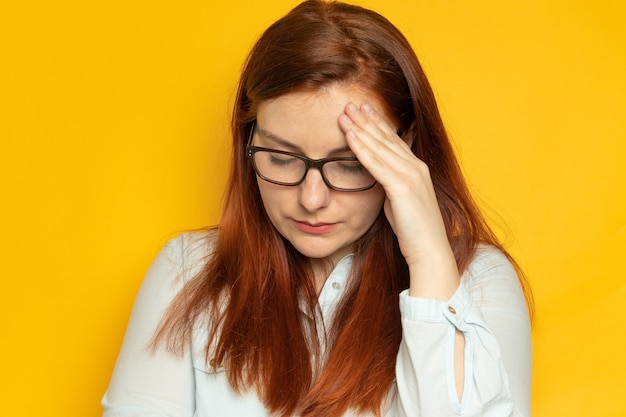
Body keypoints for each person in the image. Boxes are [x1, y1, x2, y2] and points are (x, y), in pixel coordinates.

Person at [102, 1, 533, 416]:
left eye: (349, 164)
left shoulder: (475, 281)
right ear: (247, 142)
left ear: (407, 149)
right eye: (282, 158)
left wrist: (427, 256)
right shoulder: (186, 272)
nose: (311, 199)